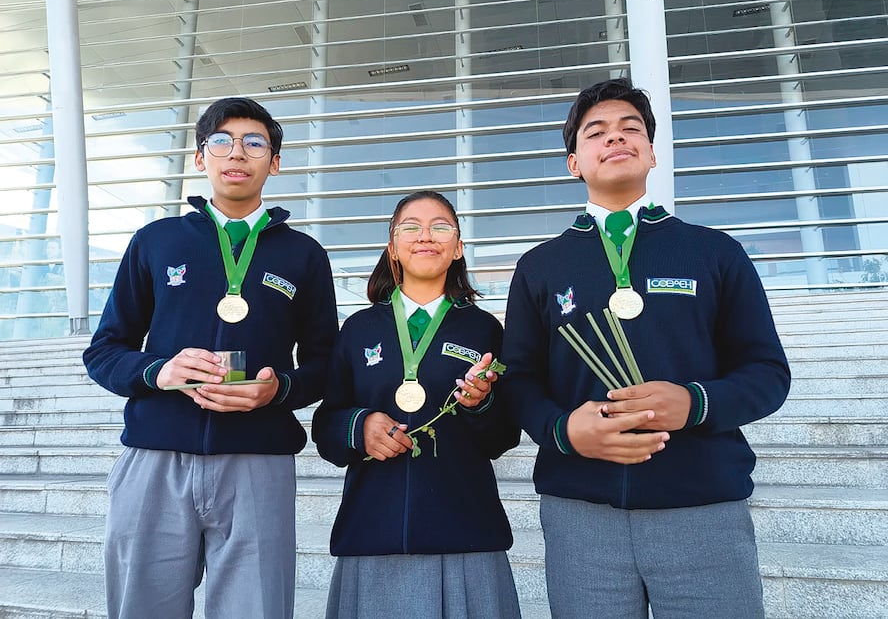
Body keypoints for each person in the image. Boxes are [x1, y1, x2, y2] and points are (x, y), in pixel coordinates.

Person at [498, 78, 790, 618]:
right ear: (573, 163)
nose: (616, 138)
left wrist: (696, 402)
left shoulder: (715, 252)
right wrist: (564, 430)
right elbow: (518, 379)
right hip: (580, 509)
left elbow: (768, 371)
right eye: (597, 132)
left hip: (702, 504)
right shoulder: (538, 268)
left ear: (652, 153)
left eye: (631, 129)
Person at [83, 97, 339, 619]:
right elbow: (105, 351)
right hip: (155, 455)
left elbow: (325, 364)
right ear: (201, 158)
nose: (236, 153)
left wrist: (278, 389)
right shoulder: (156, 241)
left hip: (258, 460)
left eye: (254, 142)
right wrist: (159, 371)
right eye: (221, 141)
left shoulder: (304, 255)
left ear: (275, 162)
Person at [312, 190, 522, 619]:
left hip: (466, 531)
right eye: (411, 227)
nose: (426, 236)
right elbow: (326, 425)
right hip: (372, 530)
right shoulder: (358, 329)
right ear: (392, 247)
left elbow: (505, 435)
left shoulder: (484, 330)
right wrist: (360, 426)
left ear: (458, 247)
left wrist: (480, 404)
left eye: (441, 226)